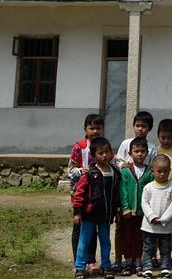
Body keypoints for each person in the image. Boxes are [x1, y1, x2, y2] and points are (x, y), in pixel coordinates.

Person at [72, 137, 122, 279]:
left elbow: (117, 194)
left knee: (106, 241)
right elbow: (79, 193)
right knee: (84, 241)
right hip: (89, 215)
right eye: (100, 153)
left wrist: (117, 211)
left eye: (107, 151)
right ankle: (80, 267)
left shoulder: (115, 173)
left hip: (106, 216)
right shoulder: (89, 173)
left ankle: (106, 266)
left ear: (112, 152)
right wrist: (78, 212)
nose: (105, 155)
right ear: (93, 155)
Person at [115, 110, 157, 272]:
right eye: (137, 125)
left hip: (143, 199)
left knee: (142, 233)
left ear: (149, 128)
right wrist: (122, 166)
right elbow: (119, 161)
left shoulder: (152, 148)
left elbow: (153, 169)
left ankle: (142, 259)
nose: (140, 129)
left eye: (144, 126)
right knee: (123, 232)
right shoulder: (126, 143)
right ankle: (122, 259)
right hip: (128, 190)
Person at [69, 114, 104, 266]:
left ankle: (91, 261)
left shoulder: (104, 146)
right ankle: (78, 259)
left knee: (93, 229)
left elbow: (110, 161)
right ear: (85, 129)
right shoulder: (80, 146)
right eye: (92, 128)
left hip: (97, 195)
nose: (95, 131)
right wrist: (80, 171)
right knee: (79, 227)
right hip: (81, 195)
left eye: (98, 128)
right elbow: (70, 170)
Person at [140, 154, 172, 279]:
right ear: (153, 170)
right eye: (159, 171)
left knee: (165, 248)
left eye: (165, 171)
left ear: (169, 171)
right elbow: (144, 203)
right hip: (149, 226)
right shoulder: (148, 187)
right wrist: (152, 217)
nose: (162, 174)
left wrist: (163, 219)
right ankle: (147, 268)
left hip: (165, 226)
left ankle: (165, 268)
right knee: (148, 248)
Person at [119, 138, 153, 277]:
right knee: (127, 237)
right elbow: (123, 190)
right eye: (136, 151)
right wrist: (125, 208)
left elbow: (151, 192)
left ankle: (139, 263)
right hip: (128, 212)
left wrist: (149, 210)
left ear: (147, 153)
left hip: (143, 213)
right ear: (130, 153)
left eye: (142, 151)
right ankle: (127, 263)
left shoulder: (150, 172)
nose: (139, 154)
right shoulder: (126, 171)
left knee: (140, 238)